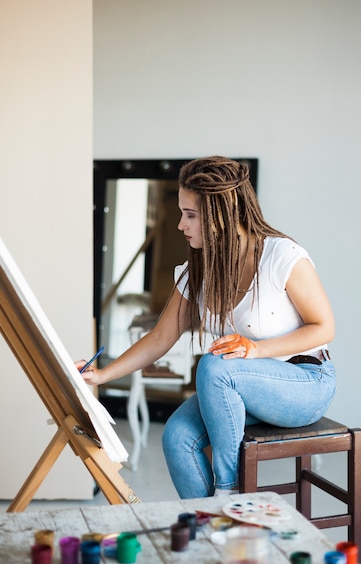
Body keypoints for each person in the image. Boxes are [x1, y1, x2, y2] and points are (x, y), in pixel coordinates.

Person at [78, 156, 336, 499]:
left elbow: (324, 328)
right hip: (240, 389)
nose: (181, 225)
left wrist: (256, 349)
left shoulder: (281, 256)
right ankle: (210, 530)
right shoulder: (196, 271)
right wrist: (102, 375)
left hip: (306, 384)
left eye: (191, 215)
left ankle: (226, 493)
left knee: (215, 365)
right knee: (177, 438)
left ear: (222, 214)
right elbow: (161, 337)